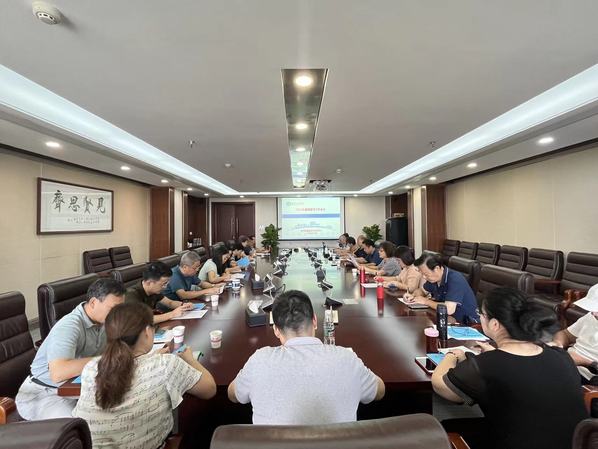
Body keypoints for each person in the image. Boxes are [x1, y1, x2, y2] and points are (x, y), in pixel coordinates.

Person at [432, 287, 587, 449]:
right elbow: (525, 370)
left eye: (481, 314)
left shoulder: (485, 365)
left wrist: (453, 355)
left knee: (446, 427)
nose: (480, 317)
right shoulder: (560, 355)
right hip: (575, 443)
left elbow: (440, 385)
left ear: (494, 324)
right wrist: (494, 354)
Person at [227, 290, 385, 424]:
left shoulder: (259, 361)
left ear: (276, 330)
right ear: (315, 320)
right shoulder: (347, 359)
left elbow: (233, 394)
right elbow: (379, 391)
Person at [73, 302, 217, 449]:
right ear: (147, 331)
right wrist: (190, 360)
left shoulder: (91, 367)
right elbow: (209, 389)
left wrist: (151, 357)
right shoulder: (165, 364)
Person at [15, 278, 126, 420]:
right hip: (44, 393)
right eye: (113, 309)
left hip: (75, 389)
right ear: (93, 303)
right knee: (82, 427)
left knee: (121, 410)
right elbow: (58, 372)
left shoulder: (103, 321)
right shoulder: (69, 326)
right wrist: (107, 359)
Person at [405, 253, 479, 324]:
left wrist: (426, 301)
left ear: (437, 268)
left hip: (467, 324)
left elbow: (449, 309)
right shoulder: (433, 278)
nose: (424, 277)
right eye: (422, 274)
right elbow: (422, 290)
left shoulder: (455, 279)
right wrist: (413, 296)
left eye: (426, 274)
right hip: (446, 319)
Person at [125, 261, 198, 324]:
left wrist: (184, 305)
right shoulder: (131, 295)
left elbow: (170, 303)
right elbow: (142, 320)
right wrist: (172, 314)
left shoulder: (154, 290)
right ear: (149, 283)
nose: (165, 287)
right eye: (163, 284)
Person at [551, 283, 598, 373]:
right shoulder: (591, 316)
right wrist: (557, 344)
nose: (593, 313)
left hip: (588, 375)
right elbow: (566, 334)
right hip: (566, 363)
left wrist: (583, 361)